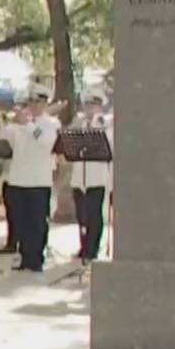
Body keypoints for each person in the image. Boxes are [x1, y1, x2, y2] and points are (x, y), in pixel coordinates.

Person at [3, 85, 60, 273]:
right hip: (18, 178)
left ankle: (36, 259)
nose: (33, 106)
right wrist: (11, 124)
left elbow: (46, 143)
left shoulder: (50, 123)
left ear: (44, 103)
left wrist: (27, 125)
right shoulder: (20, 124)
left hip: (38, 179)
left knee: (36, 222)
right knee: (20, 221)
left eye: (37, 102)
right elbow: (4, 138)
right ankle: (25, 257)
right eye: (30, 102)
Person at [68, 90, 113, 264]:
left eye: (93, 105)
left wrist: (97, 125)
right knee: (81, 215)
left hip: (96, 177)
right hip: (79, 176)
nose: (89, 108)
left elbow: (109, 146)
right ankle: (83, 246)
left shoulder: (105, 124)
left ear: (99, 106)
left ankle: (93, 249)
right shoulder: (78, 123)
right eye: (87, 105)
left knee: (94, 214)